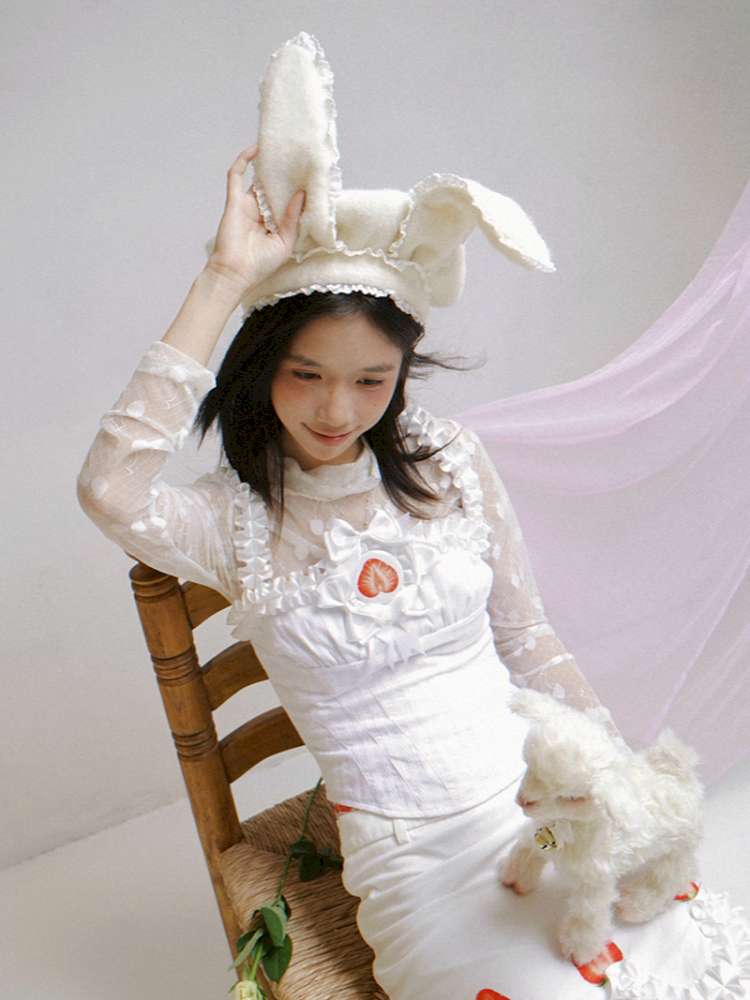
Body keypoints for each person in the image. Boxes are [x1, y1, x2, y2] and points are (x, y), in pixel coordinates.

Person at [77, 142, 750, 1000]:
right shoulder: (227, 521)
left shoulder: (447, 462)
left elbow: (526, 635)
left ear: (400, 375)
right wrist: (222, 278)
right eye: (306, 373)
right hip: (415, 856)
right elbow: (108, 489)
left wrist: (613, 773)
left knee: (682, 962)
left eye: (371, 380)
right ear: (261, 367)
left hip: (536, 813)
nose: (336, 409)